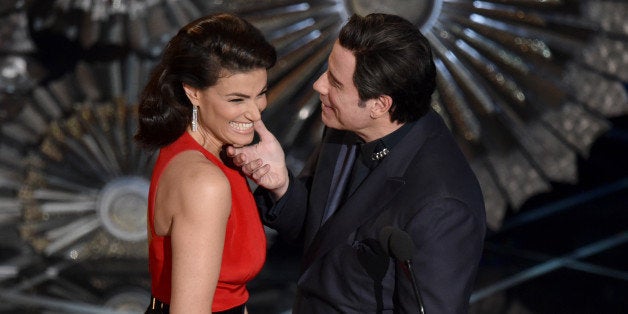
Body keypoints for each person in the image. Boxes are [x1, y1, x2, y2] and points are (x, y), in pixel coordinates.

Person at [228, 13, 486, 313]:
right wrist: (282, 186)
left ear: (379, 104)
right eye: (327, 70)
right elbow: (319, 238)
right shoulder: (343, 126)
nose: (318, 85)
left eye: (335, 82)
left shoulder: (443, 206)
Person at [134, 13, 276, 314]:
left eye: (260, 93)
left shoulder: (202, 151)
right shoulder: (203, 182)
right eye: (237, 100)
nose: (255, 112)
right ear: (193, 92)